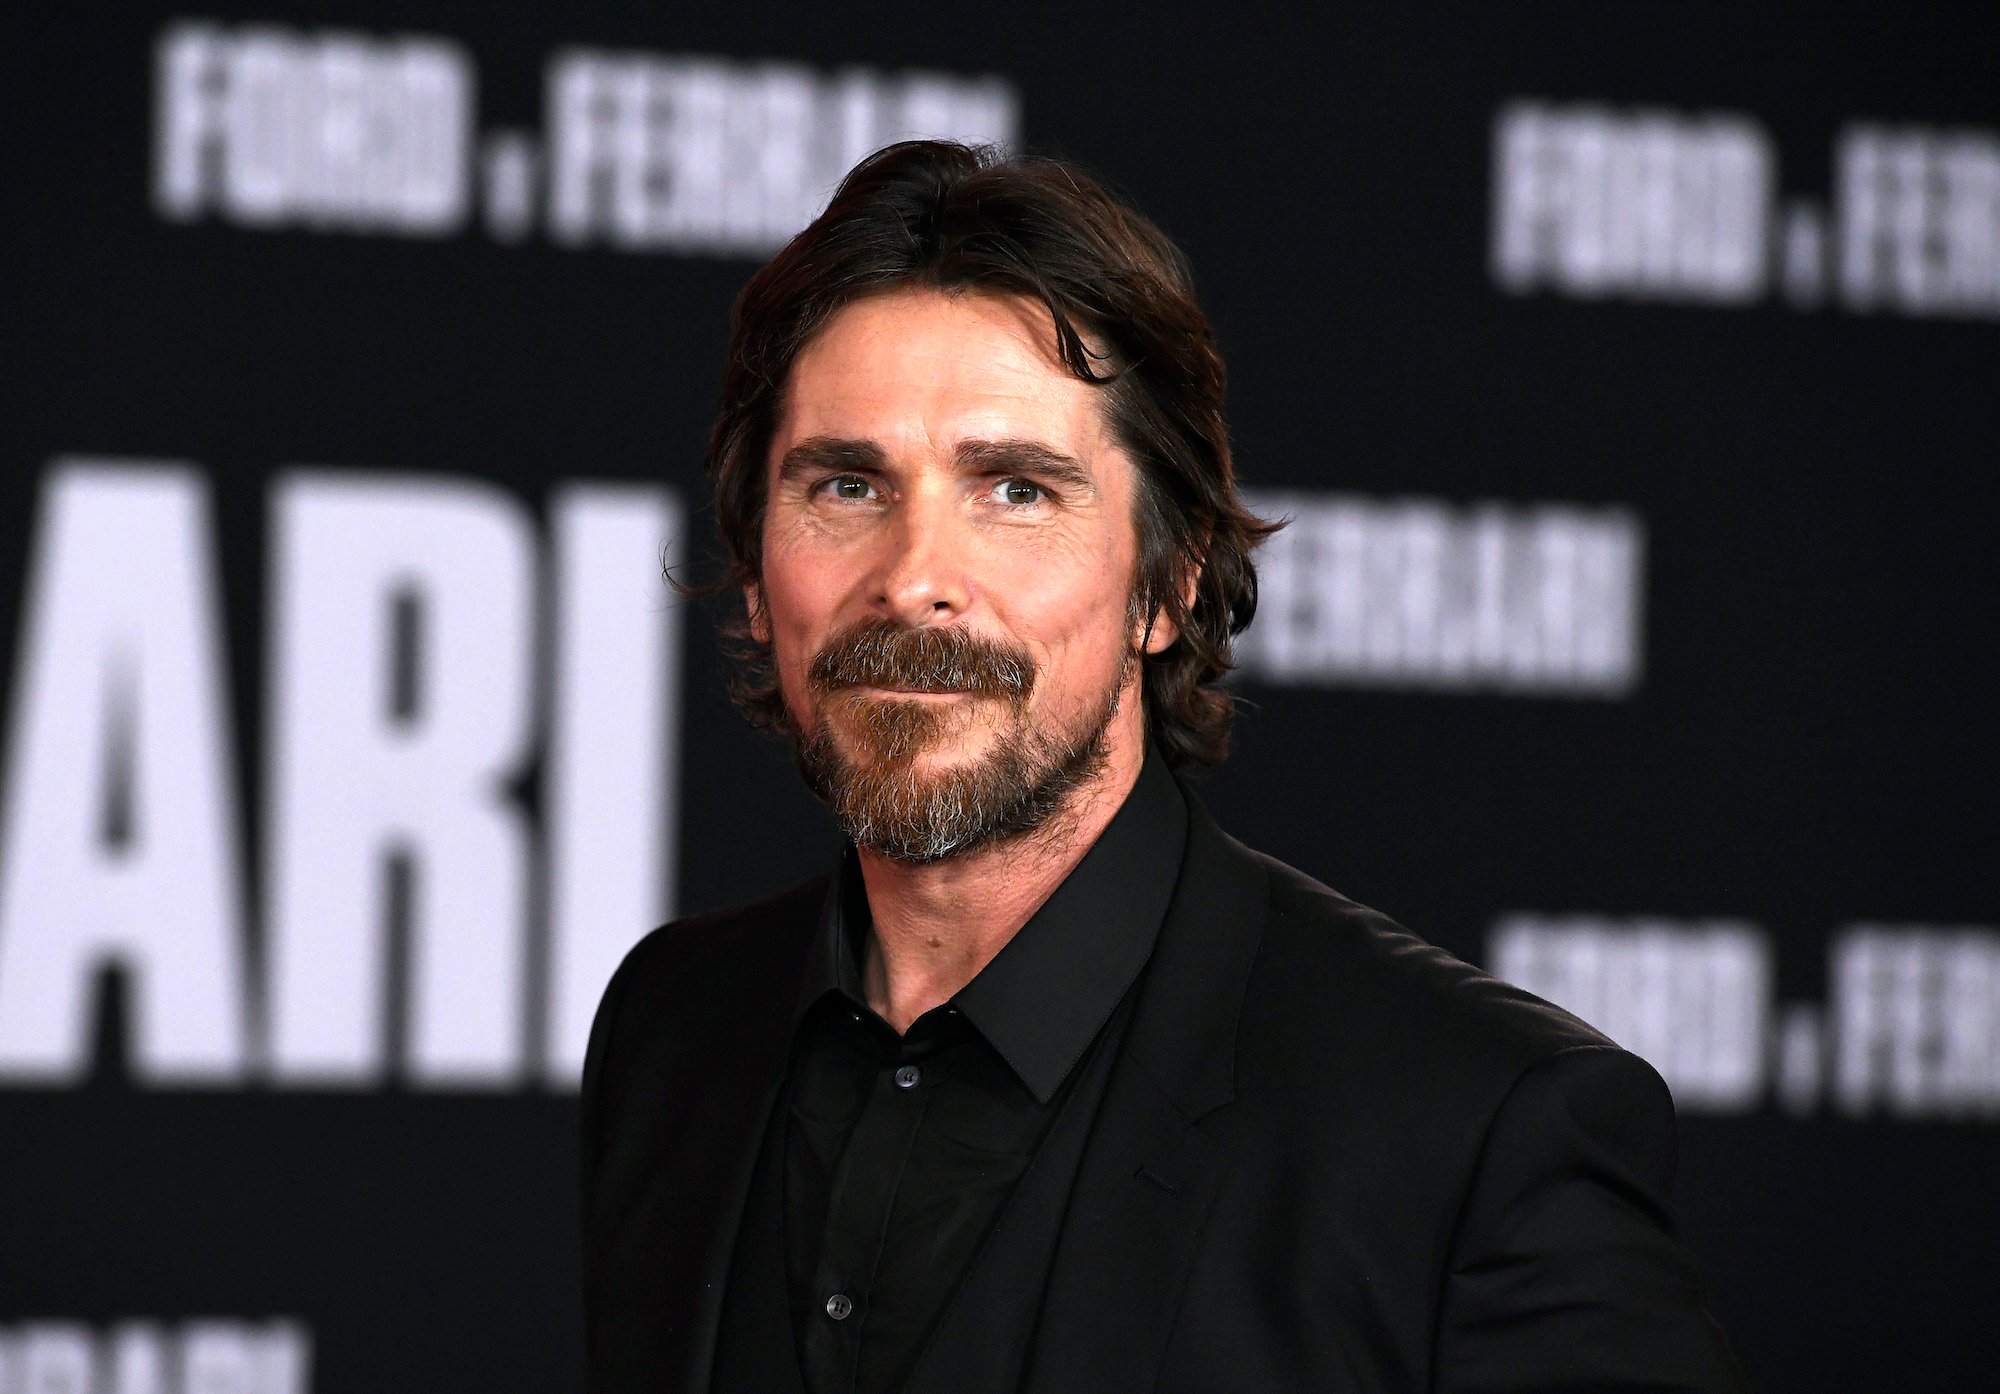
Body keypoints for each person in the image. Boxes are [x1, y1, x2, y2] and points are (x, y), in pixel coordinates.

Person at [579, 139, 1745, 1394]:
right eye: (847, 484)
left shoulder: (1470, 1132)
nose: (915, 576)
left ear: (1168, 581)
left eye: (1015, 490)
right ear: (757, 575)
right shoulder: (674, 1032)